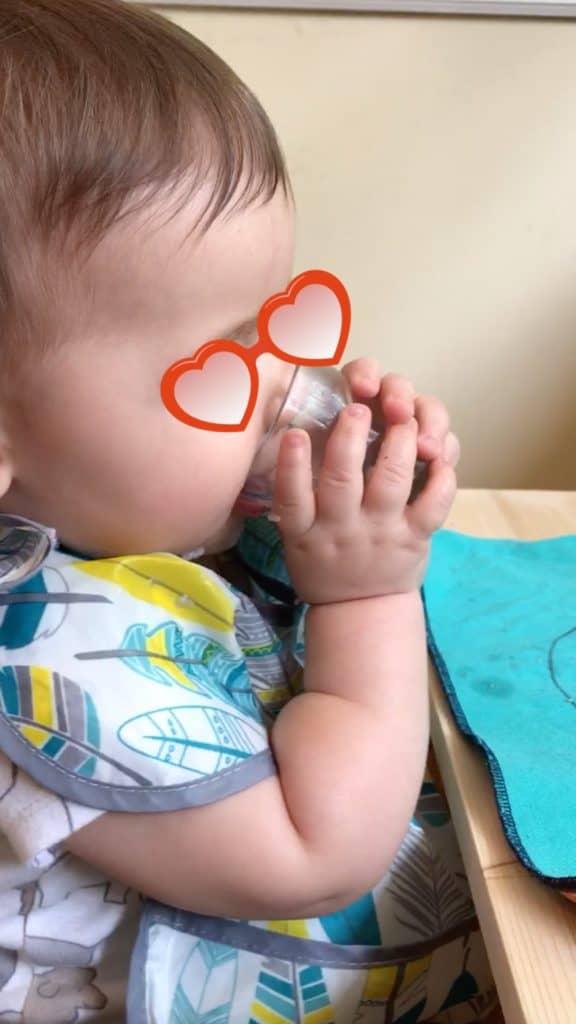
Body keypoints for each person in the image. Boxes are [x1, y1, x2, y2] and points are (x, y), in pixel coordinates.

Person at [0, 1, 503, 1020]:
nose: (284, 380)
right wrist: (367, 588)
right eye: (221, 354)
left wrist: (355, 499)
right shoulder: (41, 668)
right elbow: (320, 852)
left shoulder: (118, 517)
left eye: (275, 321)